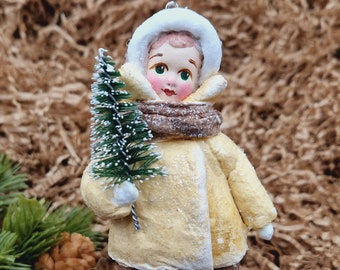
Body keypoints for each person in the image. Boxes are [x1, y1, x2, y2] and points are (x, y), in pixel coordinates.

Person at [81, 4, 277, 269]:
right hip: (146, 249)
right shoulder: (129, 134)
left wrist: (260, 216)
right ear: (142, 68)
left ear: (198, 82)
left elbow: (239, 173)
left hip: (213, 247)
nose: (171, 81)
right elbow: (101, 171)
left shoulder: (210, 138)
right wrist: (115, 195)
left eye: (184, 73)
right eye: (160, 68)